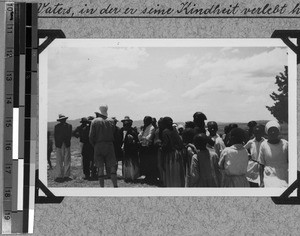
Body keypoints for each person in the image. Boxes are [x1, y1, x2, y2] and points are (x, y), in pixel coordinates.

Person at [89, 105, 118, 188]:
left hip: (98, 145)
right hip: (109, 145)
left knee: (100, 168)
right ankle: (115, 186)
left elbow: (91, 136)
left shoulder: (94, 121)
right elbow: (114, 132)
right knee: (112, 168)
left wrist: (95, 145)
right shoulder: (111, 121)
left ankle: (102, 187)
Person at [258, 121, 288, 188]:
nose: (273, 132)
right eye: (270, 131)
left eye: (275, 130)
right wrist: (261, 182)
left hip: (284, 178)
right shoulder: (264, 145)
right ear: (267, 132)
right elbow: (261, 164)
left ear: (278, 131)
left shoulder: (285, 144)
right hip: (269, 178)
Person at [161, 116, 185, 187]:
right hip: (178, 154)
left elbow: (166, 145)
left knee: (171, 172)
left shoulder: (165, 131)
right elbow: (180, 143)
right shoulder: (175, 131)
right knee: (177, 172)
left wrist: (161, 148)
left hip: (170, 155)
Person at [54, 114, 73, 182]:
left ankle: (65, 175)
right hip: (60, 144)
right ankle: (60, 175)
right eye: (62, 119)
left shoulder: (69, 126)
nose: (63, 121)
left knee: (66, 160)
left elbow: (69, 135)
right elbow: (55, 136)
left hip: (65, 144)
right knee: (60, 160)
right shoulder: (58, 126)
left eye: (63, 119)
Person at [120, 116, 140, 182]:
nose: (125, 124)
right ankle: (128, 175)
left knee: (130, 162)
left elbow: (136, 140)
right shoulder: (121, 130)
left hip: (130, 149)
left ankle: (131, 176)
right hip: (127, 148)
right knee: (128, 162)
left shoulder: (132, 131)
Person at [138, 116, 156, 183]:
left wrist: (143, 138)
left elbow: (149, 138)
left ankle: (150, 177)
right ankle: (146, 176)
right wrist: (142, 137)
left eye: (145, 120)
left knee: (149, 163)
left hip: (149, 148)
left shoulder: (152, 128)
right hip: (143, 147)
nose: (144, 122)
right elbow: (139, 136)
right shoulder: (145, 127)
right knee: (144, 162)